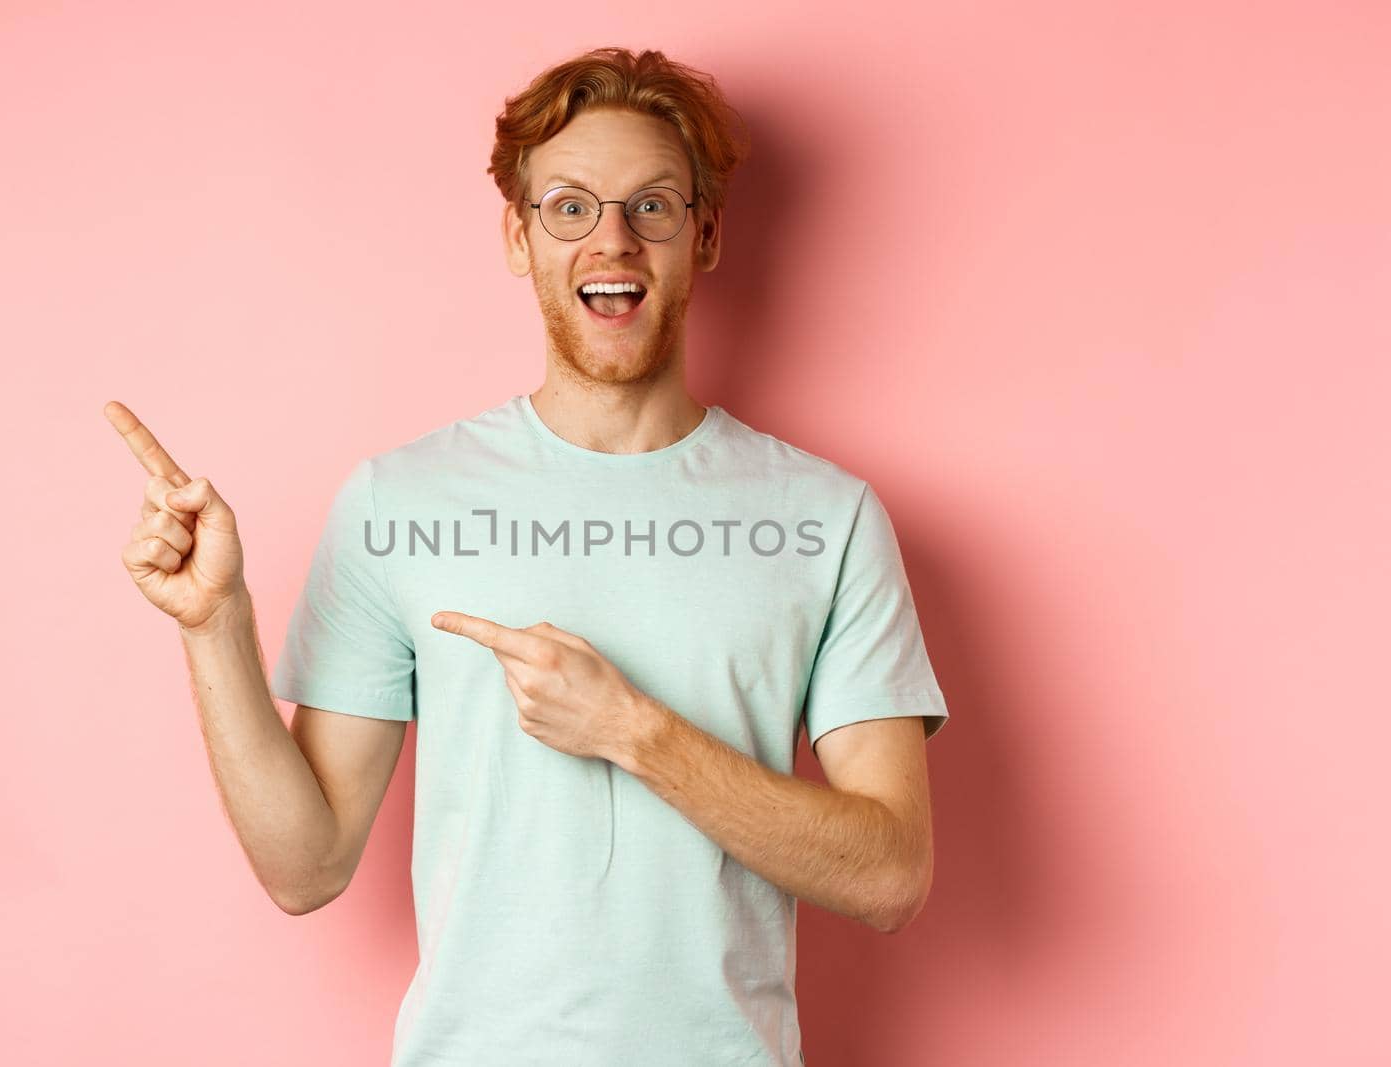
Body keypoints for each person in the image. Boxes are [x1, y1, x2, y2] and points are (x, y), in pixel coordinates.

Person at [106, 45, 949, 1067]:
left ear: (705, 235)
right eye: (568, 206)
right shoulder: (399, 502)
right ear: (518, 234)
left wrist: (635, 731)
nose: (612, 240)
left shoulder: (826, 517)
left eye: (652, 207)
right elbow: (306, 864)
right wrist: (215, 625)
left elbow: (891, 872)